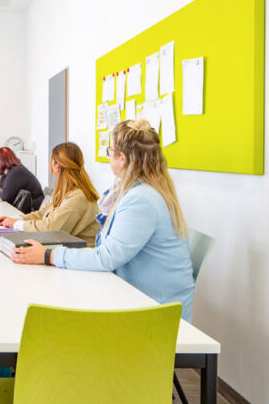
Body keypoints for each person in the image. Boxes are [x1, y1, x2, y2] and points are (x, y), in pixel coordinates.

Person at [12, 120, 195, 321]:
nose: (109, 157)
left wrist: (48, 255)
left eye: (110, 151)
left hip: (154, 312)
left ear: (122, 158)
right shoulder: (143, 192)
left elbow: (107, 257)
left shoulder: (141, 200)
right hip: (142, 299)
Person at [0, 142, 100, 246]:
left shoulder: (78, 197)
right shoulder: (63, 191)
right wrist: (18, 219)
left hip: (77, 254)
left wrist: (17, 224)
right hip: (65, 248)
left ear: (57, 165)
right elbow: (44, 213)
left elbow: (51, 228)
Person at [0, 146, 44, 210]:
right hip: (23, 208)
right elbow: (5, 191)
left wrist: (2, 192)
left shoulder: (16, 172)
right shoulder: (9, 172)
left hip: (31, 211)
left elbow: (5, 197)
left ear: (1, 160)